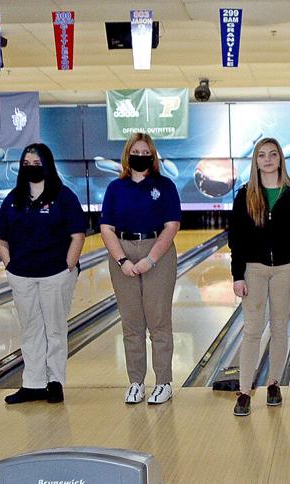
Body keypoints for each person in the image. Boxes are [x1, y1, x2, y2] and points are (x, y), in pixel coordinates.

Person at [0, 143, 87, 405]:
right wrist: (10, 267)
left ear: (47, 164)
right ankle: (33, 384)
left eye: (36, 163)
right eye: (27, 163)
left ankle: (55, 381)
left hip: (55, 274)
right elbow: (1, 239)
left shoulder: (64, 196)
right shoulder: (13, 199)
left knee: (54, 329)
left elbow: (78, 235)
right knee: (31, 330)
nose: (31, 167)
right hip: (22, 275)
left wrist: (68, 266)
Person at [229, 137, 290, 416]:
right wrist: (237, 275)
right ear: (255, 160)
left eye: (273, 154)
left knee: (279, 327)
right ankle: (243, 392)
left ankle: (274, 383)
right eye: (262, 155)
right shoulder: (245, 195)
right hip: (253, 269)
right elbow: (236, 239)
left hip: (286, 270)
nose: (267, 159)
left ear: (280, 159)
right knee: (253, 329)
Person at [101, 133, 182, 405]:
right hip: (122, 251)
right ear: (128, 154)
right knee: (131, 324)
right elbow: (106, 228)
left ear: (152, 156)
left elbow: (172, 226)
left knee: (159, 322)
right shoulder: (115, 188)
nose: (141, 155)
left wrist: (151, 259)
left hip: (157, 250)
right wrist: (122, 260)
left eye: (146, 152)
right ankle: (136, 382)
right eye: (136, 151)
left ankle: (163, 383)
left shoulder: (165, 185)